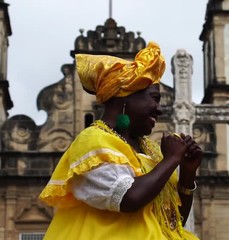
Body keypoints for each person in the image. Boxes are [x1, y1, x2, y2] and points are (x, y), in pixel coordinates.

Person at [39, 41, 202, 240]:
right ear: (125, 97)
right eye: (154, 98)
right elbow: (128, 198)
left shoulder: (150, 150)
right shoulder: (93, 141)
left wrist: (187, 173)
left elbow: (173, 222)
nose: (159, 109)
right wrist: (170, 160)